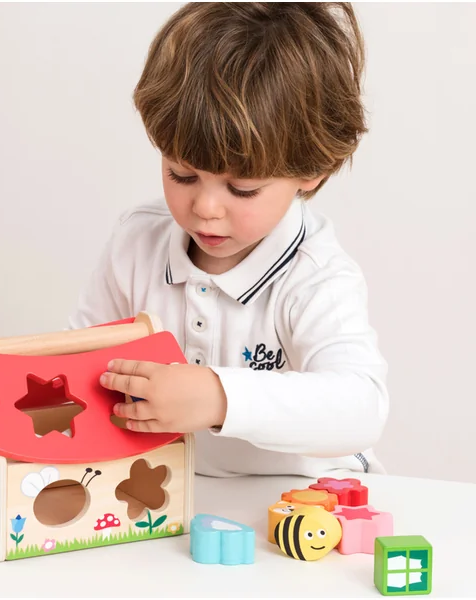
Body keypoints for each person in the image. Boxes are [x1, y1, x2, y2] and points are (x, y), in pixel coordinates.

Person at [68, 2, 389, 478]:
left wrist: (219, 396)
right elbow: (80, 361)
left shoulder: (315, 276)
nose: (205, 207)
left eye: (242, 188)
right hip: (177, 495)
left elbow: (362, 408)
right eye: (181, 175)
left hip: (307, 499)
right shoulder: (136, 242)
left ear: (312, 171)